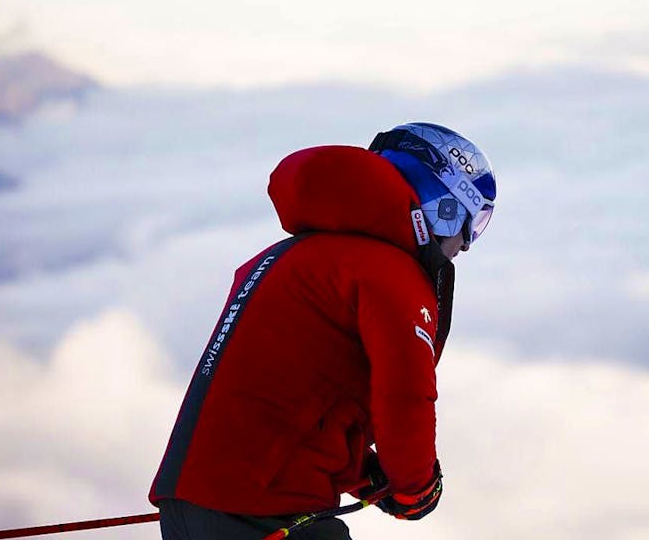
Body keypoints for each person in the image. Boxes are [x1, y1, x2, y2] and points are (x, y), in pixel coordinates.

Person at [149, 122, 497, 540]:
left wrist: (365, 474)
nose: (465, 245)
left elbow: (297, 401)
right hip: (264, 510)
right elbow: (404, 393)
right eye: (471, 223)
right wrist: (416, 487)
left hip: (198, 506)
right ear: (443, 207)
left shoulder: (290, 257)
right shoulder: (390, 276)